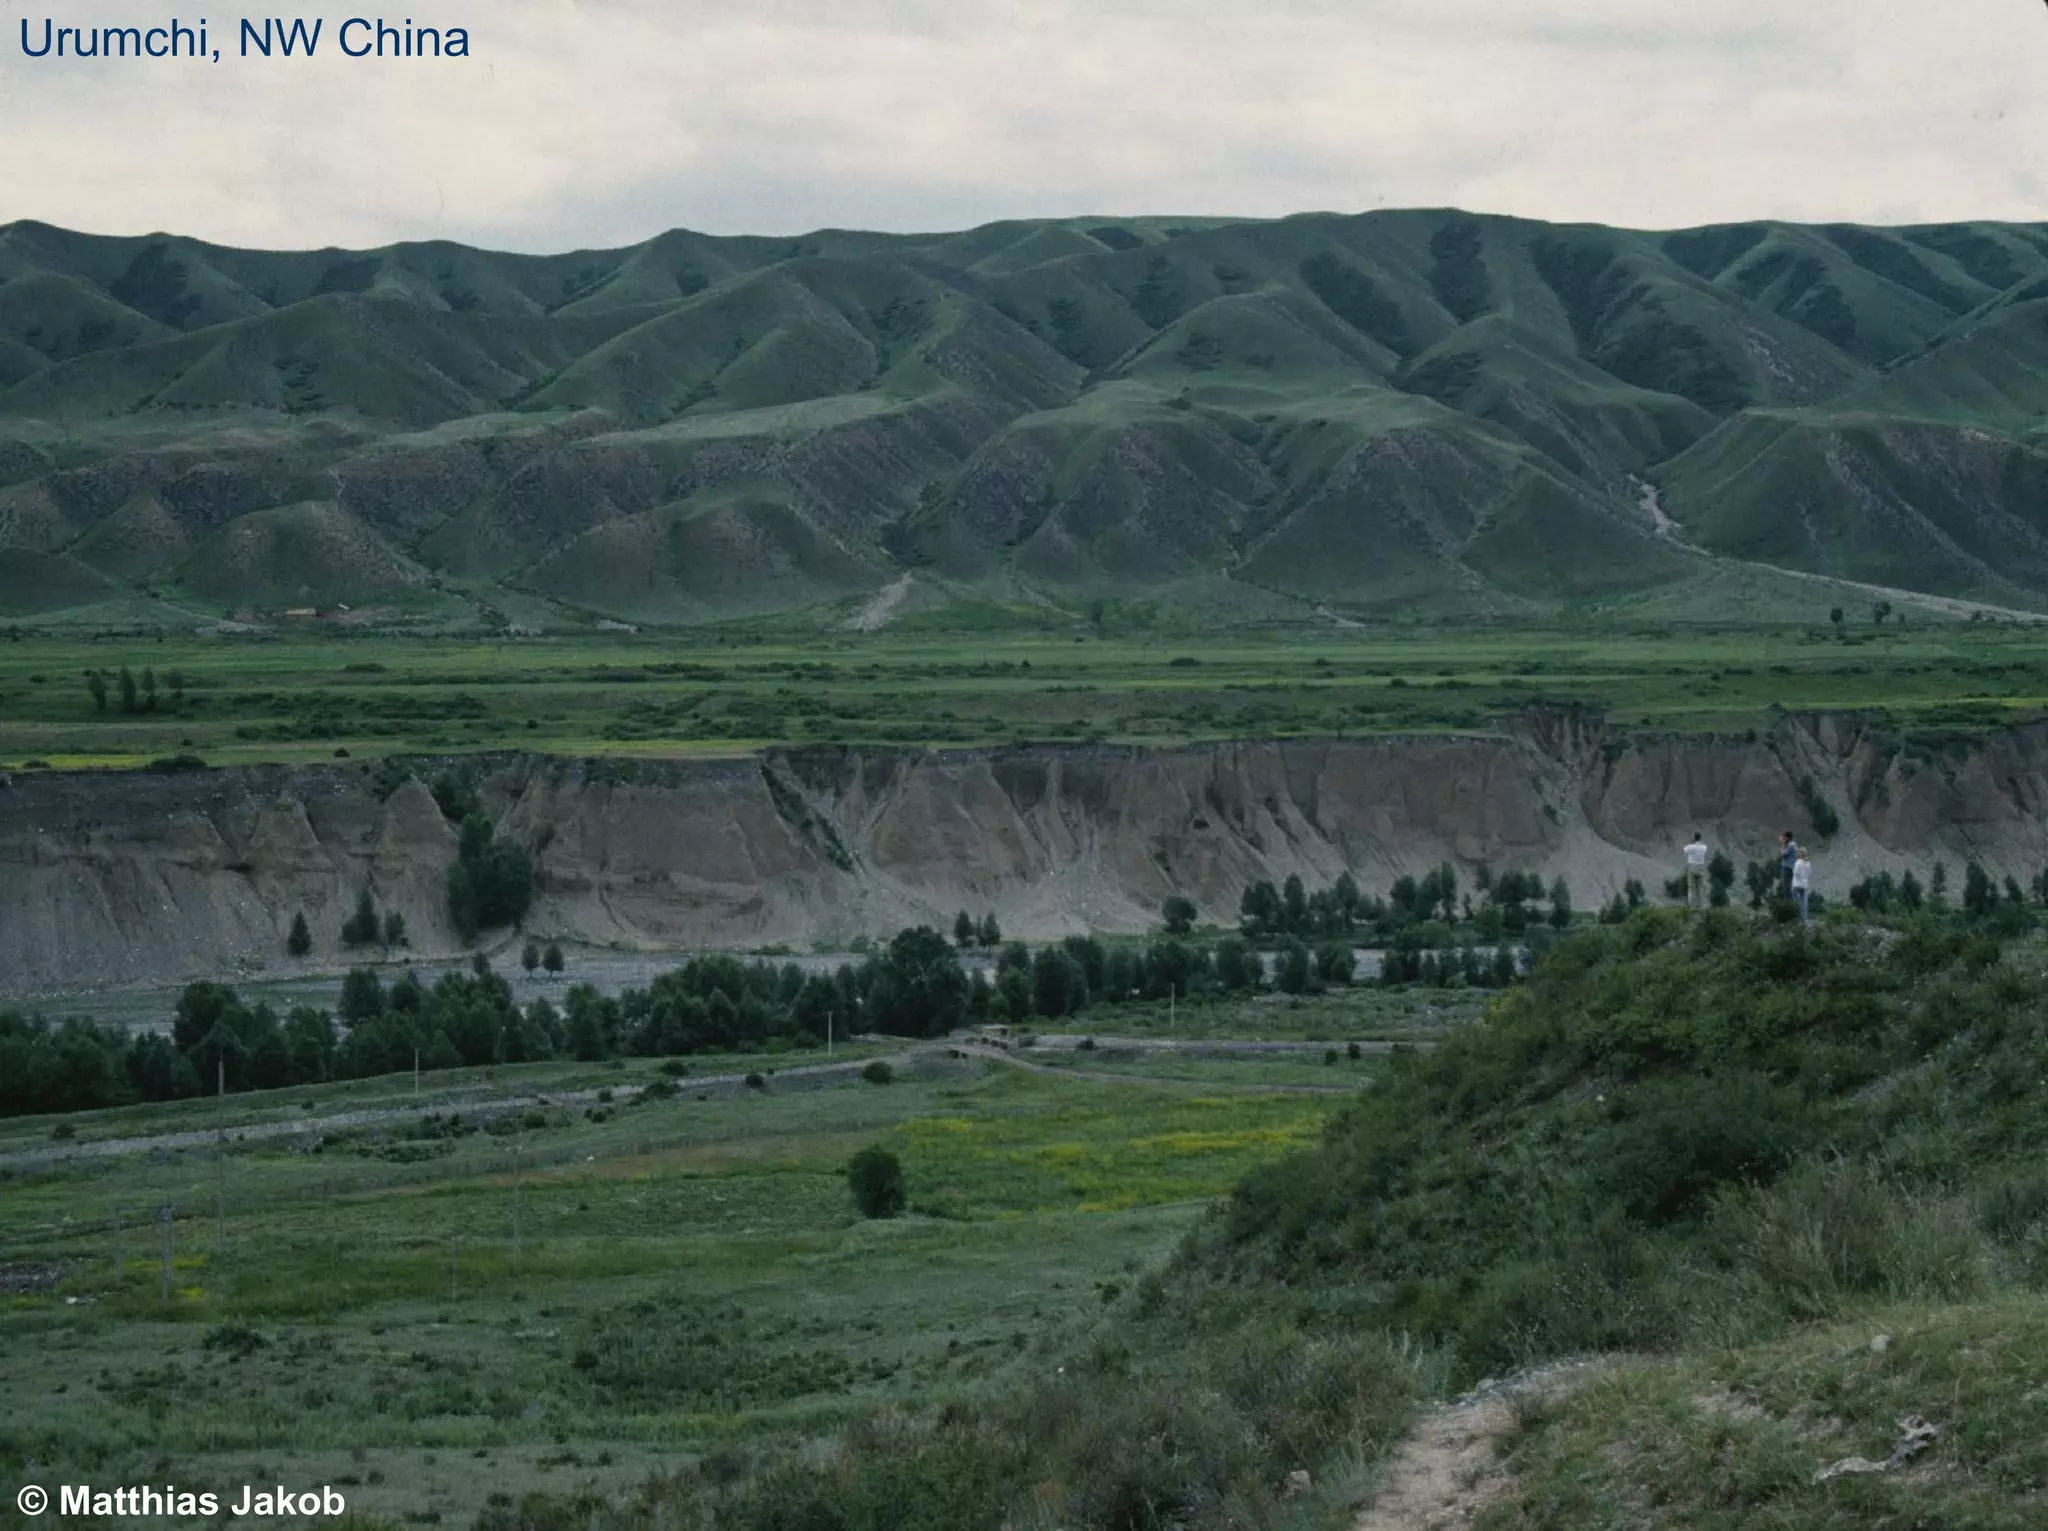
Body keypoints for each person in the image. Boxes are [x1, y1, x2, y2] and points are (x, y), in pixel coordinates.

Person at [1683, 830, 1709, 911]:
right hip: (1701, 868)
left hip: (1692, 868)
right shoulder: (1704, 847)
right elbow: (1704, 850)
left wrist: (1691, 843)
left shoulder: (1691, 847)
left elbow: (1685, 850)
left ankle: (1692, 907)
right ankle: (1702, 906)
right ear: (1700, 838)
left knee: (1691, 888)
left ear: (1694, 838)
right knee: (1700, 888)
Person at [1792, 848, 1813, 922]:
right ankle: (1804, 917)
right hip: (1804, 884)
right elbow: (1809, 873)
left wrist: (1799, 877)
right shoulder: (1808, 863)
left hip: (1797, 883)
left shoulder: (1798, 862)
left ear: (1800, 854)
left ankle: (1794, 915)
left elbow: (1795, 872)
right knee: (1803, 901)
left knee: (1793, 899)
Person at [1779, 830, 1799, 901]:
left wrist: (1782, 844)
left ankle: (1789, 902)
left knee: (1786, 886)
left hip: (1788, 867)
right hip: (1791, 867)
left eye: (1784, 837)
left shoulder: (1790, 845)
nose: (1783, 838)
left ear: (1788, 838)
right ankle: (1791, 901)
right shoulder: (1793, 844)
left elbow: (1783, 854)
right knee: (1788, 885)